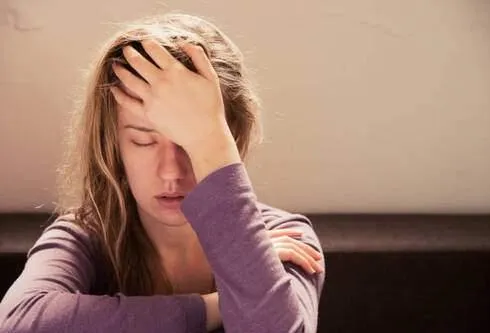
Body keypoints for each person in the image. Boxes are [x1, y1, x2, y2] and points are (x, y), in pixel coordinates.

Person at [0, 12, 325, 333]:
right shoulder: (86, 236)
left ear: (231, 139)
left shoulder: (284, 237)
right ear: (115, 146)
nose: (170, 172)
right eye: (142, 140)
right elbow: (18, 323)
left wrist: (210, 139)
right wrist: (216, 304)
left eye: (189, 143)